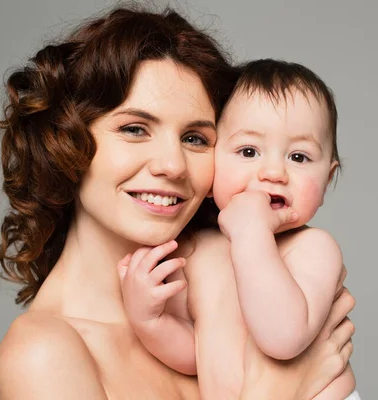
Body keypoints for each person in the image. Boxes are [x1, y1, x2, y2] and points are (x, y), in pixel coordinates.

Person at [0, 6, 356, 399]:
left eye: (195, 138)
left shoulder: (229, 282)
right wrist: (277, 390)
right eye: (135, 129)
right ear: (66, 141)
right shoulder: (44, 354)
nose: (172, 165)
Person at [119, 59, 360, 399]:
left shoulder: (313, 248)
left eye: (299, 157)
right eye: (249, 151)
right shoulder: (197, 250)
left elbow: (284, 338)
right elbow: (199, 356)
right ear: (214, 159)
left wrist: (252, 233)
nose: (274, 172)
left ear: (328, 177)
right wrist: (150, 321)